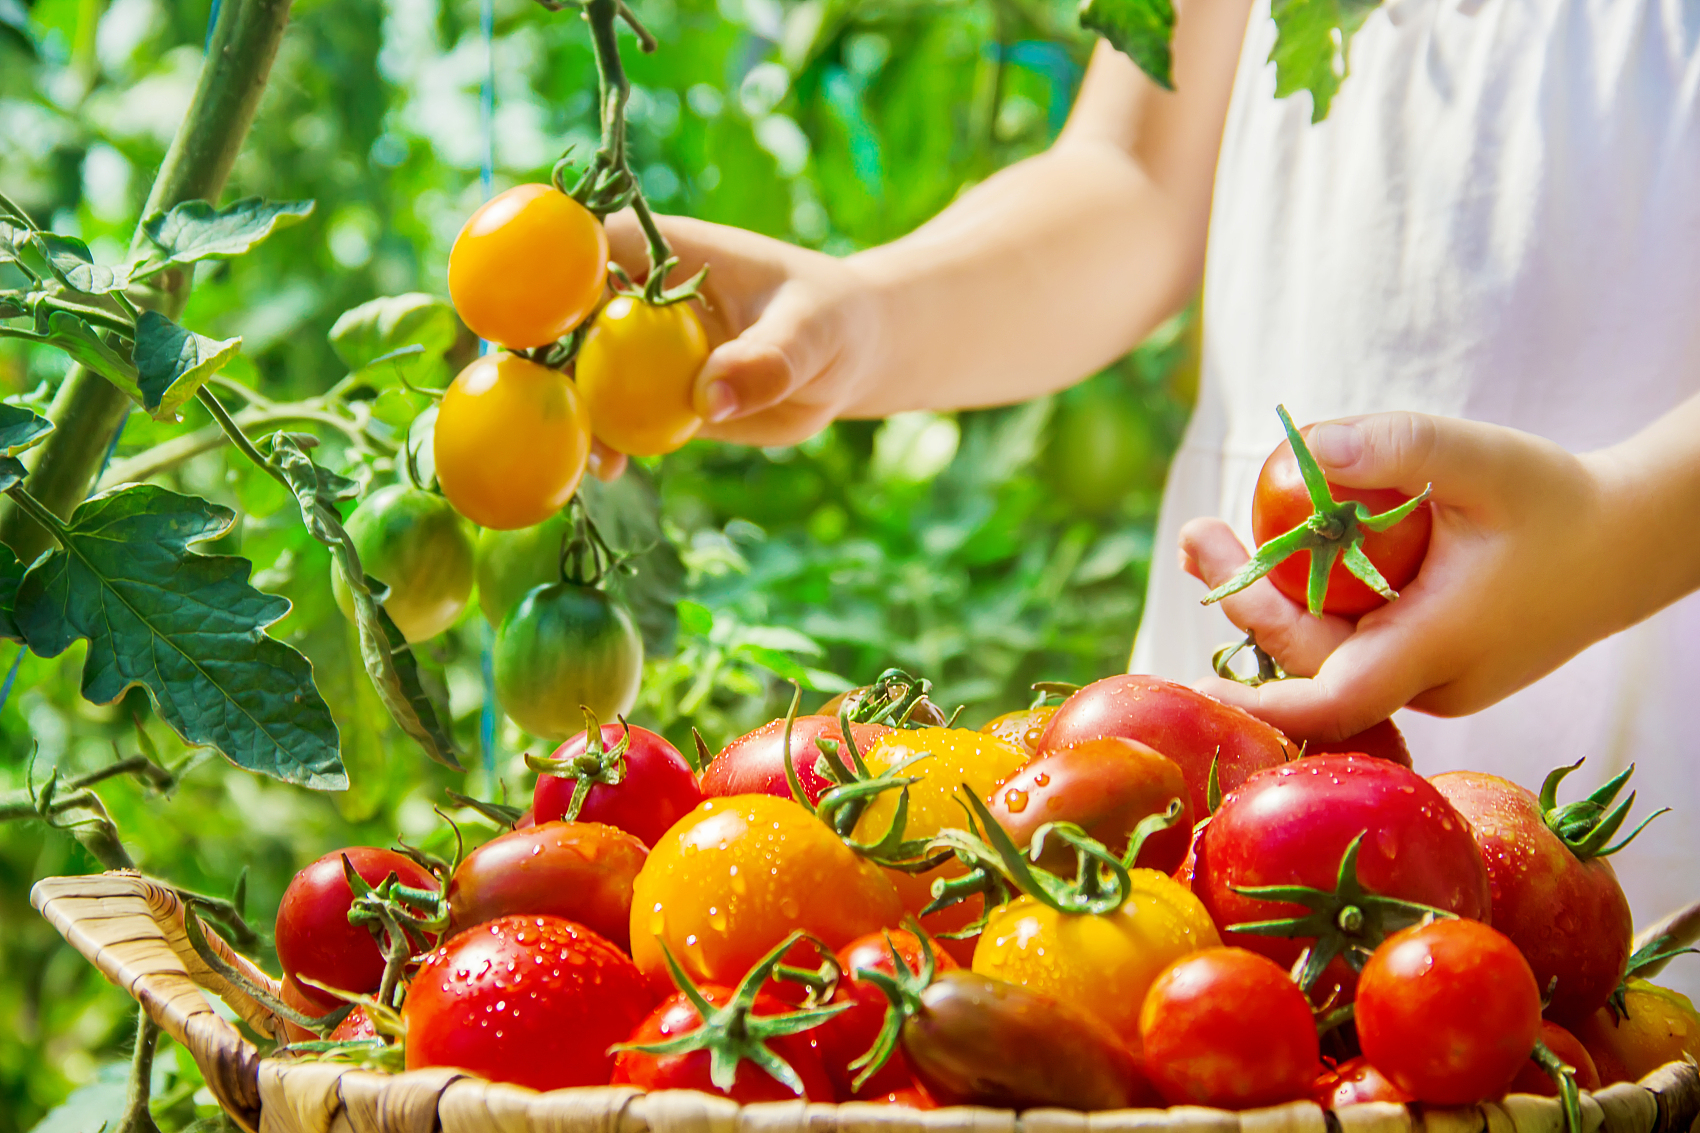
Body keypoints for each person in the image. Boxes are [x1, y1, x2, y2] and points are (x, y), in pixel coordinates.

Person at [606, 0, 1700, 992]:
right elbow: (1130, 179)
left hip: (1648, 689)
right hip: (1244, 758)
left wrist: (1616, 535)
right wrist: (863, 312)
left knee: (1608, 1014)